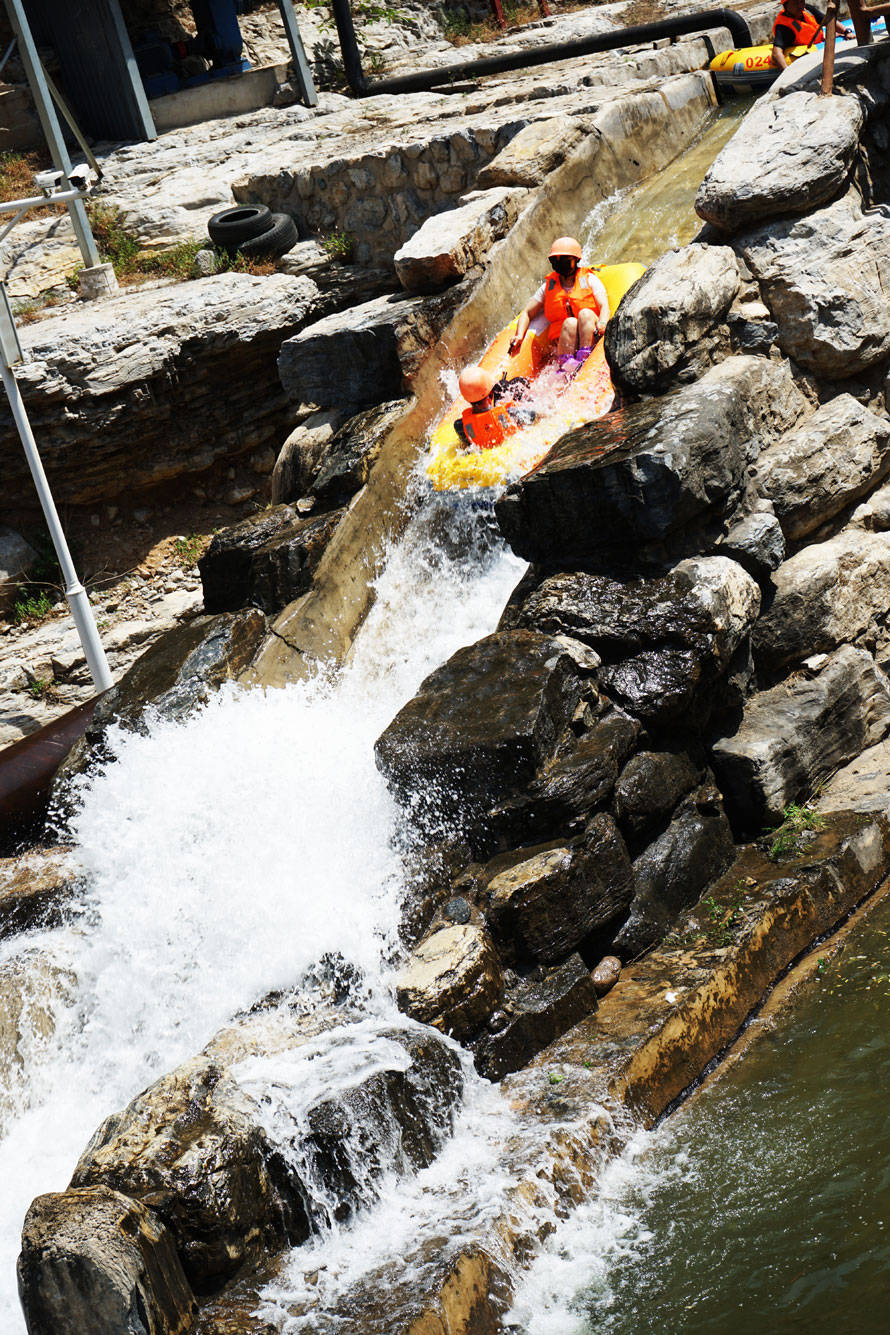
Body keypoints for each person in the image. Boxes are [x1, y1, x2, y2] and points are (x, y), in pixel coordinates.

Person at [508, 236, 610, 374]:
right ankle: (567, 366)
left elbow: (604, 305)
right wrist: (519, 335)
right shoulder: (547, 287)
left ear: (576, 260)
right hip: (565, 343)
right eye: (554, 260)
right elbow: (527, 312)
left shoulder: (590, 279)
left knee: (585, 314)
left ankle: (586, 357)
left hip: (590, 334)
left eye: (564, 260)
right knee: (570, 323)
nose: (559, 263)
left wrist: (603, 322)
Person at [454, 365, 536, 450]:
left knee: (501, 386)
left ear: (467, 399)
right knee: (515, 382)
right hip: (513, 443)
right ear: (490, 394)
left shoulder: (460, 426)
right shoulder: (511, 413)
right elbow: (533, 416)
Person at [771, 0, 851, 68]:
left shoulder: (807, 9)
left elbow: (829, 21)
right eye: (795, 3)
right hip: (800, 53)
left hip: (817, 44)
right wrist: (787, 72)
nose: (800, 6)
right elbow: (776, 53)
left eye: (801, 1)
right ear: (786, 5)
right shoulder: (783, 27)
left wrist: (846, 31)